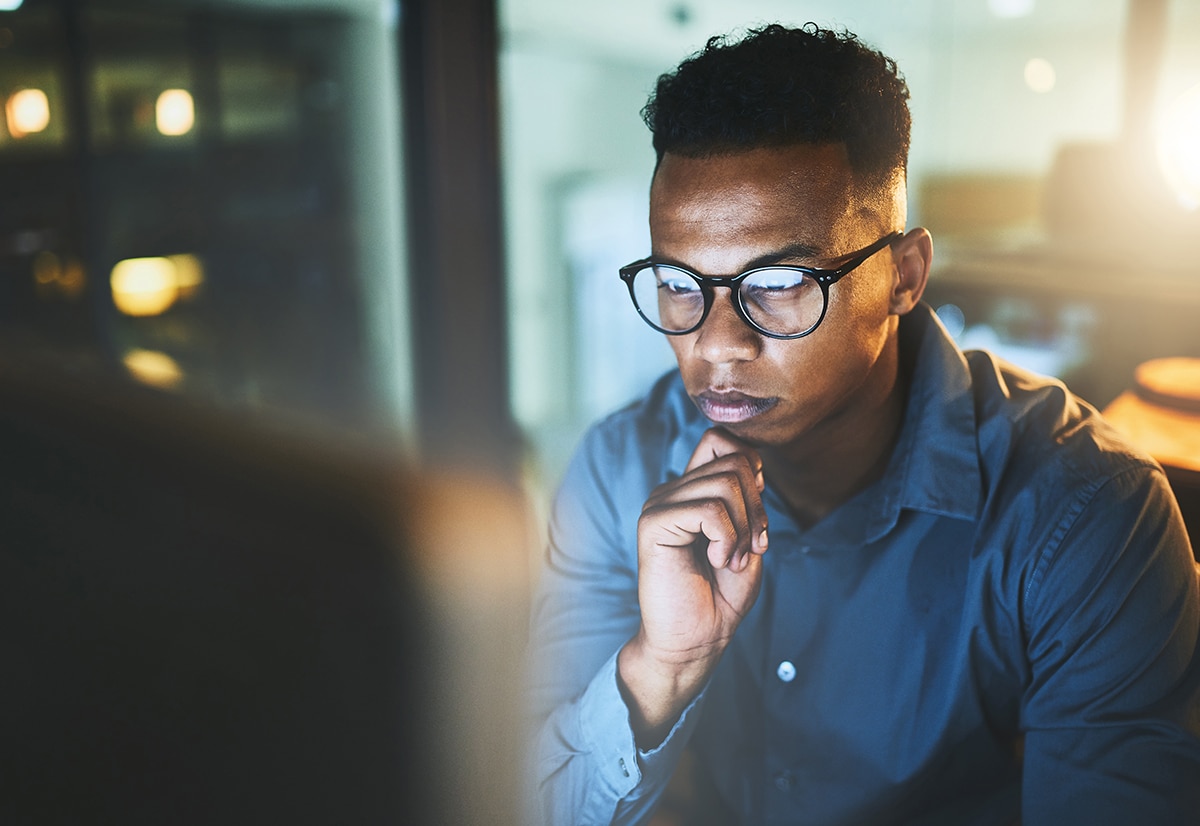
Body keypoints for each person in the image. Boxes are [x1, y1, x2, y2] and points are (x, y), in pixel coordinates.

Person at [525, 23, 1200, 825]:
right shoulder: (618, 471)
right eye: (679, 282)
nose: (715, 342)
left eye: (777, 282)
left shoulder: (1085, 513)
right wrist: (662, 667)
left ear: (903, 275)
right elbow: (524, 804)